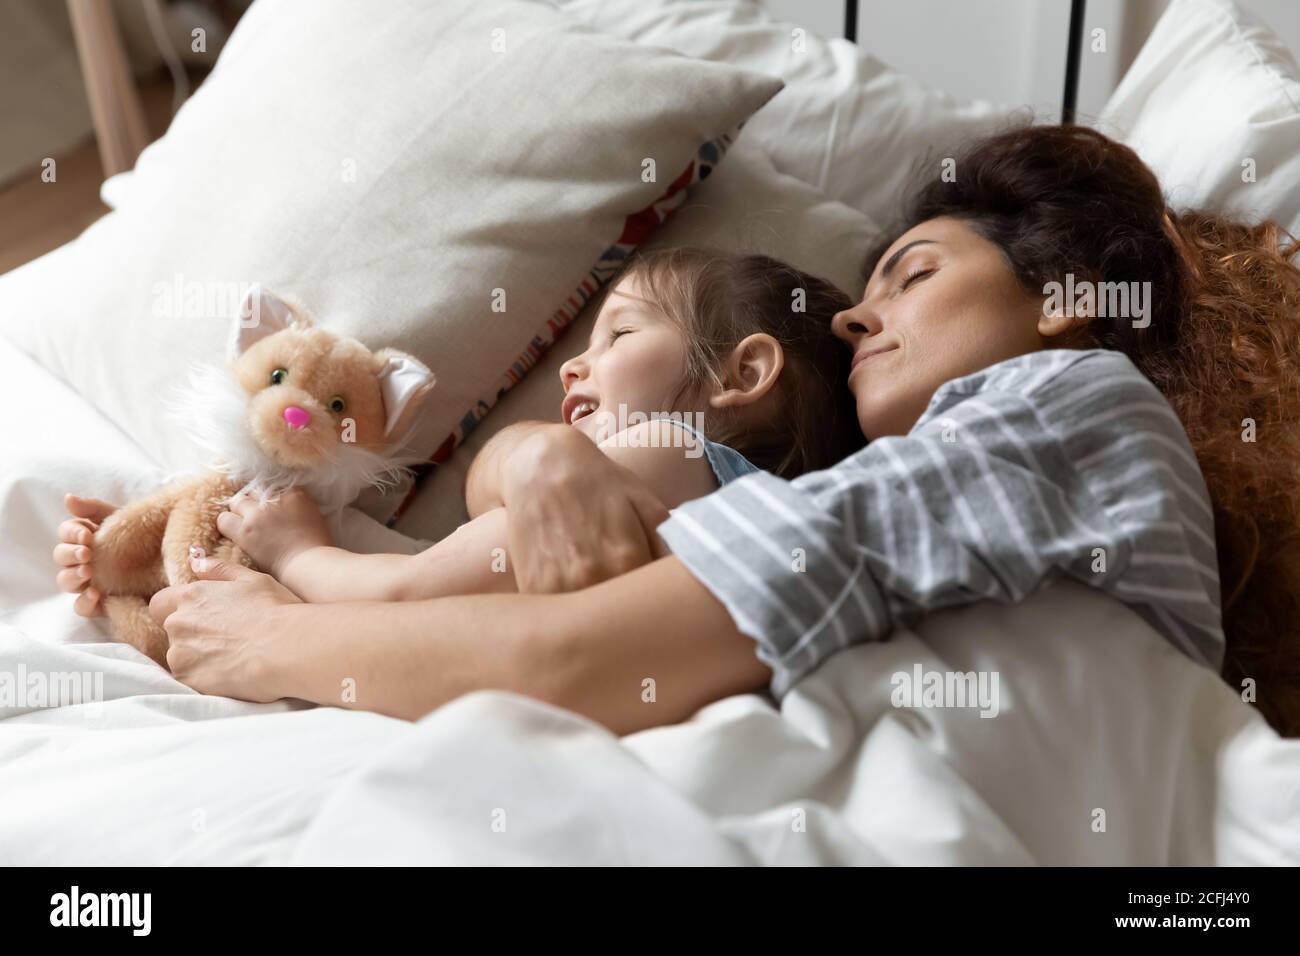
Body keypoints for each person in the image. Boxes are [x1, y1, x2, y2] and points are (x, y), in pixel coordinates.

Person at [54, 126, 1300, 737]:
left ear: (1067, 304)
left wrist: (279, 630)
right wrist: (527, 456)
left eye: (911, 274)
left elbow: (568, 656)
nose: (858, 313)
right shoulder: (945, 483)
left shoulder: (1067, 405)